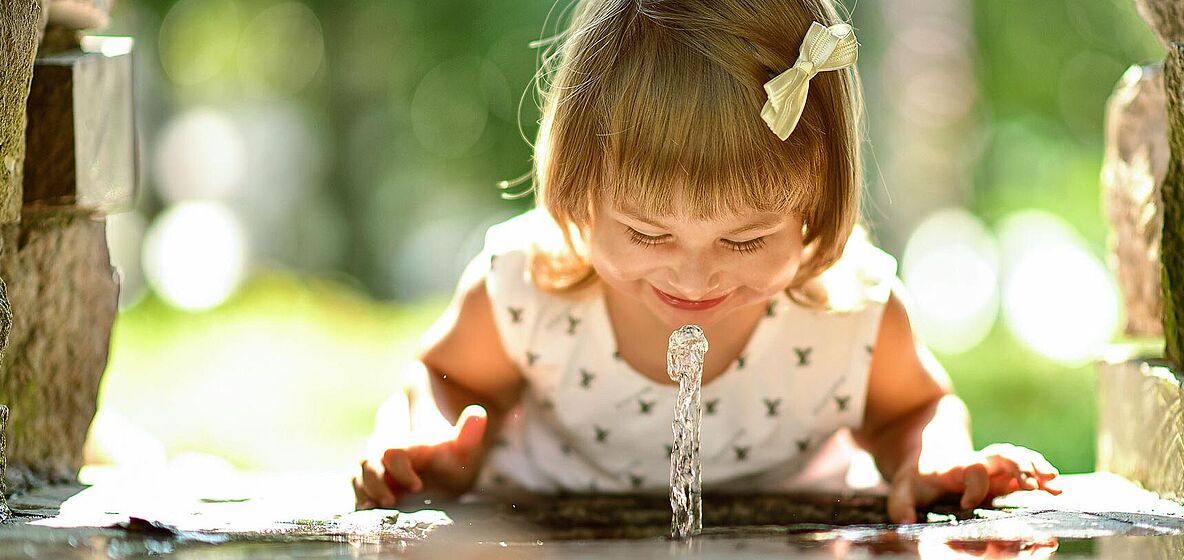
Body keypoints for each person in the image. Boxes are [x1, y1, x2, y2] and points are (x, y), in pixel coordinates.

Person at [353, 0, 1061, 524]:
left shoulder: (852, 315)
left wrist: (927, 457)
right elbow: (441, 379)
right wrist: (431, 443)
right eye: (646, 233)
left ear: (817, 197)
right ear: (579, 188)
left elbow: (915, 408)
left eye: (746, 240)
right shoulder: (528, 289)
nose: (694, 279)